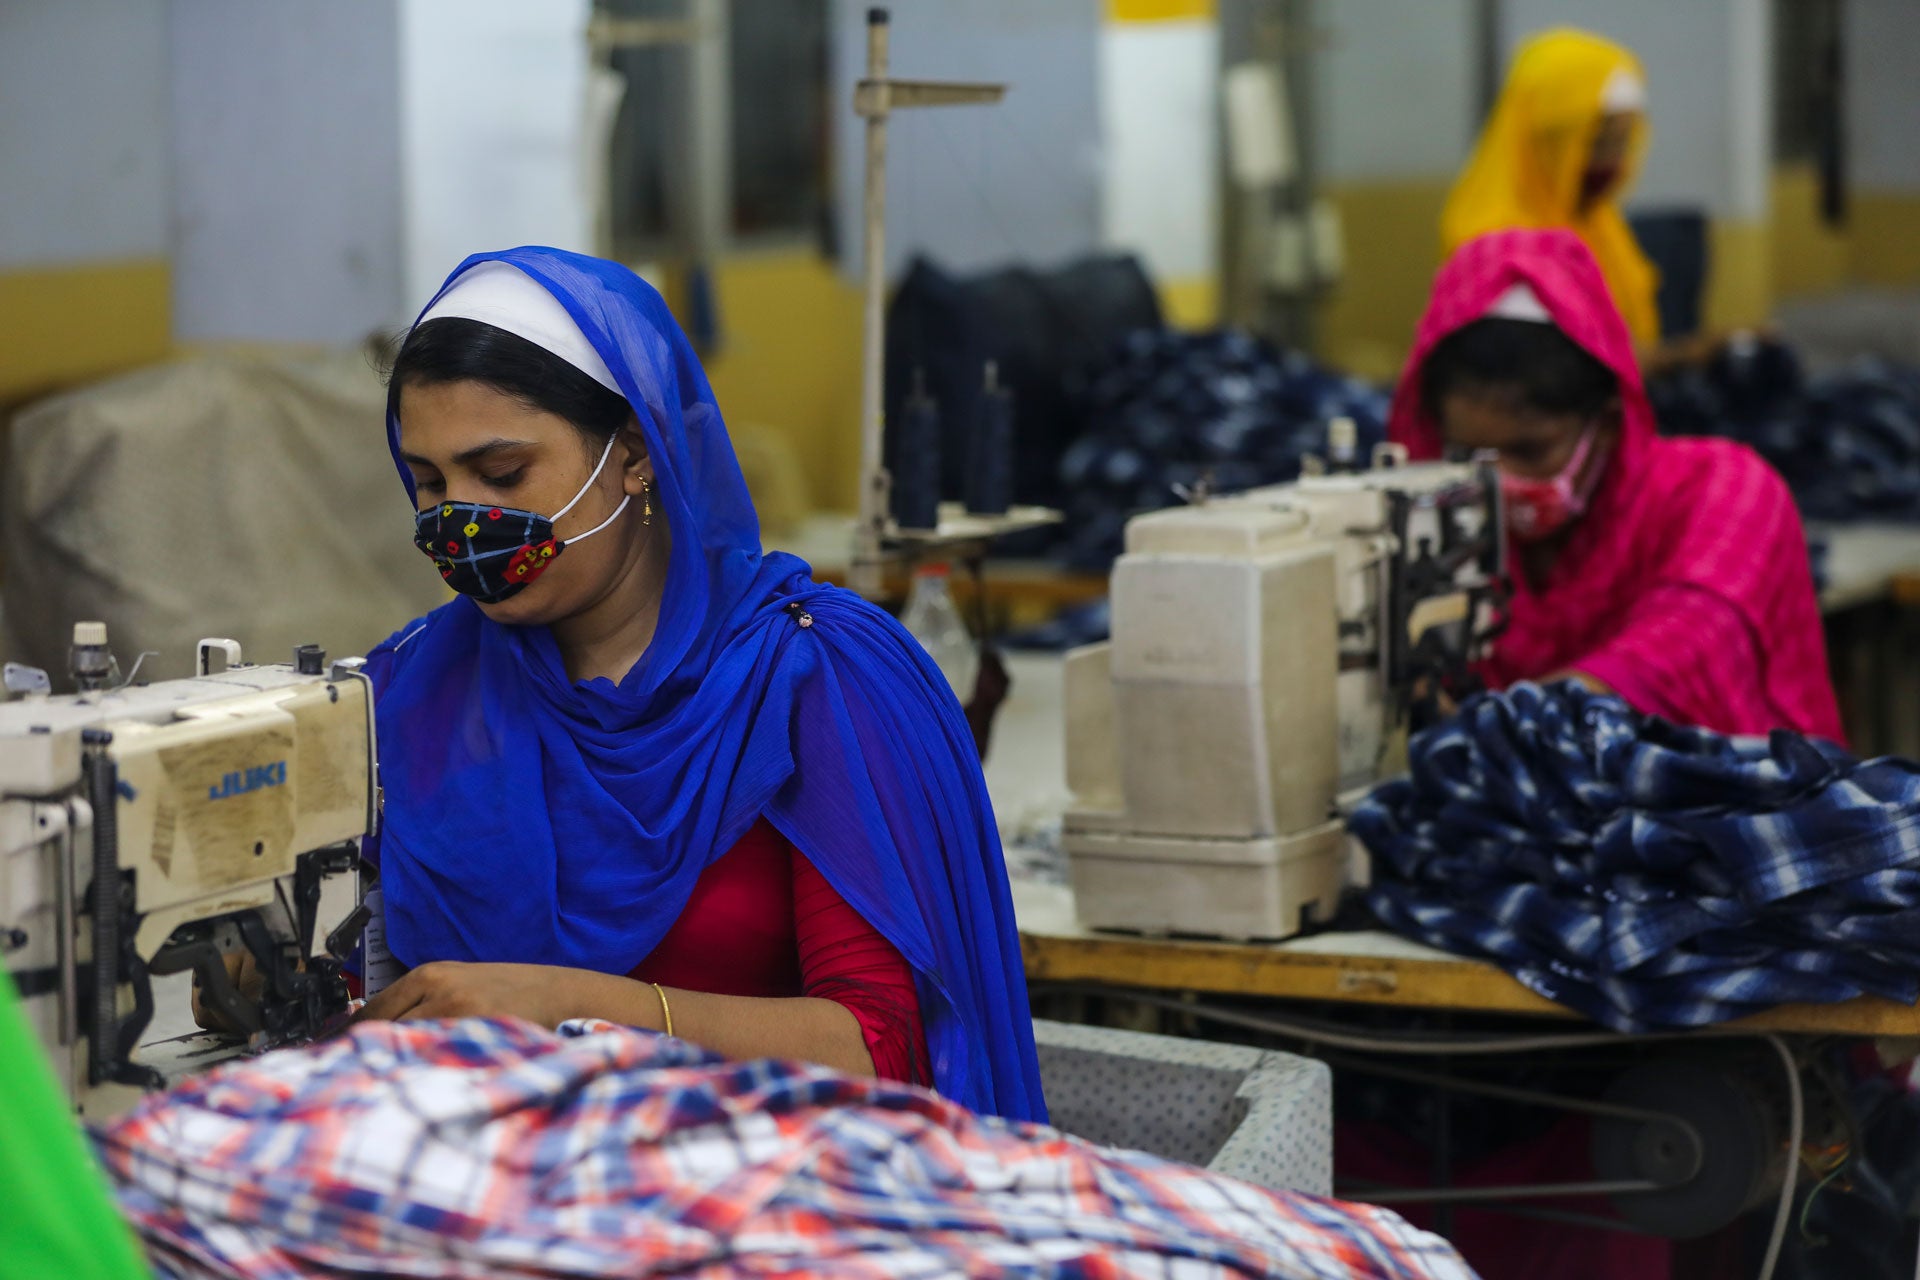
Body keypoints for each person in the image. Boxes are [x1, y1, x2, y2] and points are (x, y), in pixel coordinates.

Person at [340, 247, 1043, 1122]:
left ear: (634, 453)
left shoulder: (812, 679)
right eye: (430, 483)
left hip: (775, 1182)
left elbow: (885, 1049)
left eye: (504, 475)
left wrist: (582, 1009)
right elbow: (356, 967)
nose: (458, 520)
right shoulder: (413, 692)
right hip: (509, 1177)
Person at [1389, 227, 1843, 743]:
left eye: (1530, 451)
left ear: (1606, 424)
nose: (1498, 482)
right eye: (1468, 456)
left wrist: (1498, 735)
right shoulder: (1441, 530)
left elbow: (1681, 653)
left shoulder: (1728, 492)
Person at [1443, 29, 1661, 350]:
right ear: (1545, 143)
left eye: (1623, 142)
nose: (1613, 162)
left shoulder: (1597, 225)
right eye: (1597, 143)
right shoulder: (1497, 250)